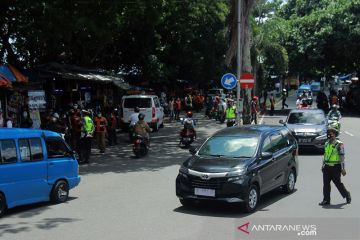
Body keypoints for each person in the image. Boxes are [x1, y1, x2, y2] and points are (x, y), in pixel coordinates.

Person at [319, 127, 351, 205]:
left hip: (336, 167)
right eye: (328, 133)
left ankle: (347, 195)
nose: (329, 135)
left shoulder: (339, 144)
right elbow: (325, 154)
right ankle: (326, 200)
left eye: (331, 133)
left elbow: (342, 157)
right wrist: (323, 165)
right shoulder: (326, 143)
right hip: (326, 167)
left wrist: (343, 168)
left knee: (337, 183)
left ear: (335, 135)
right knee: (326, 184)